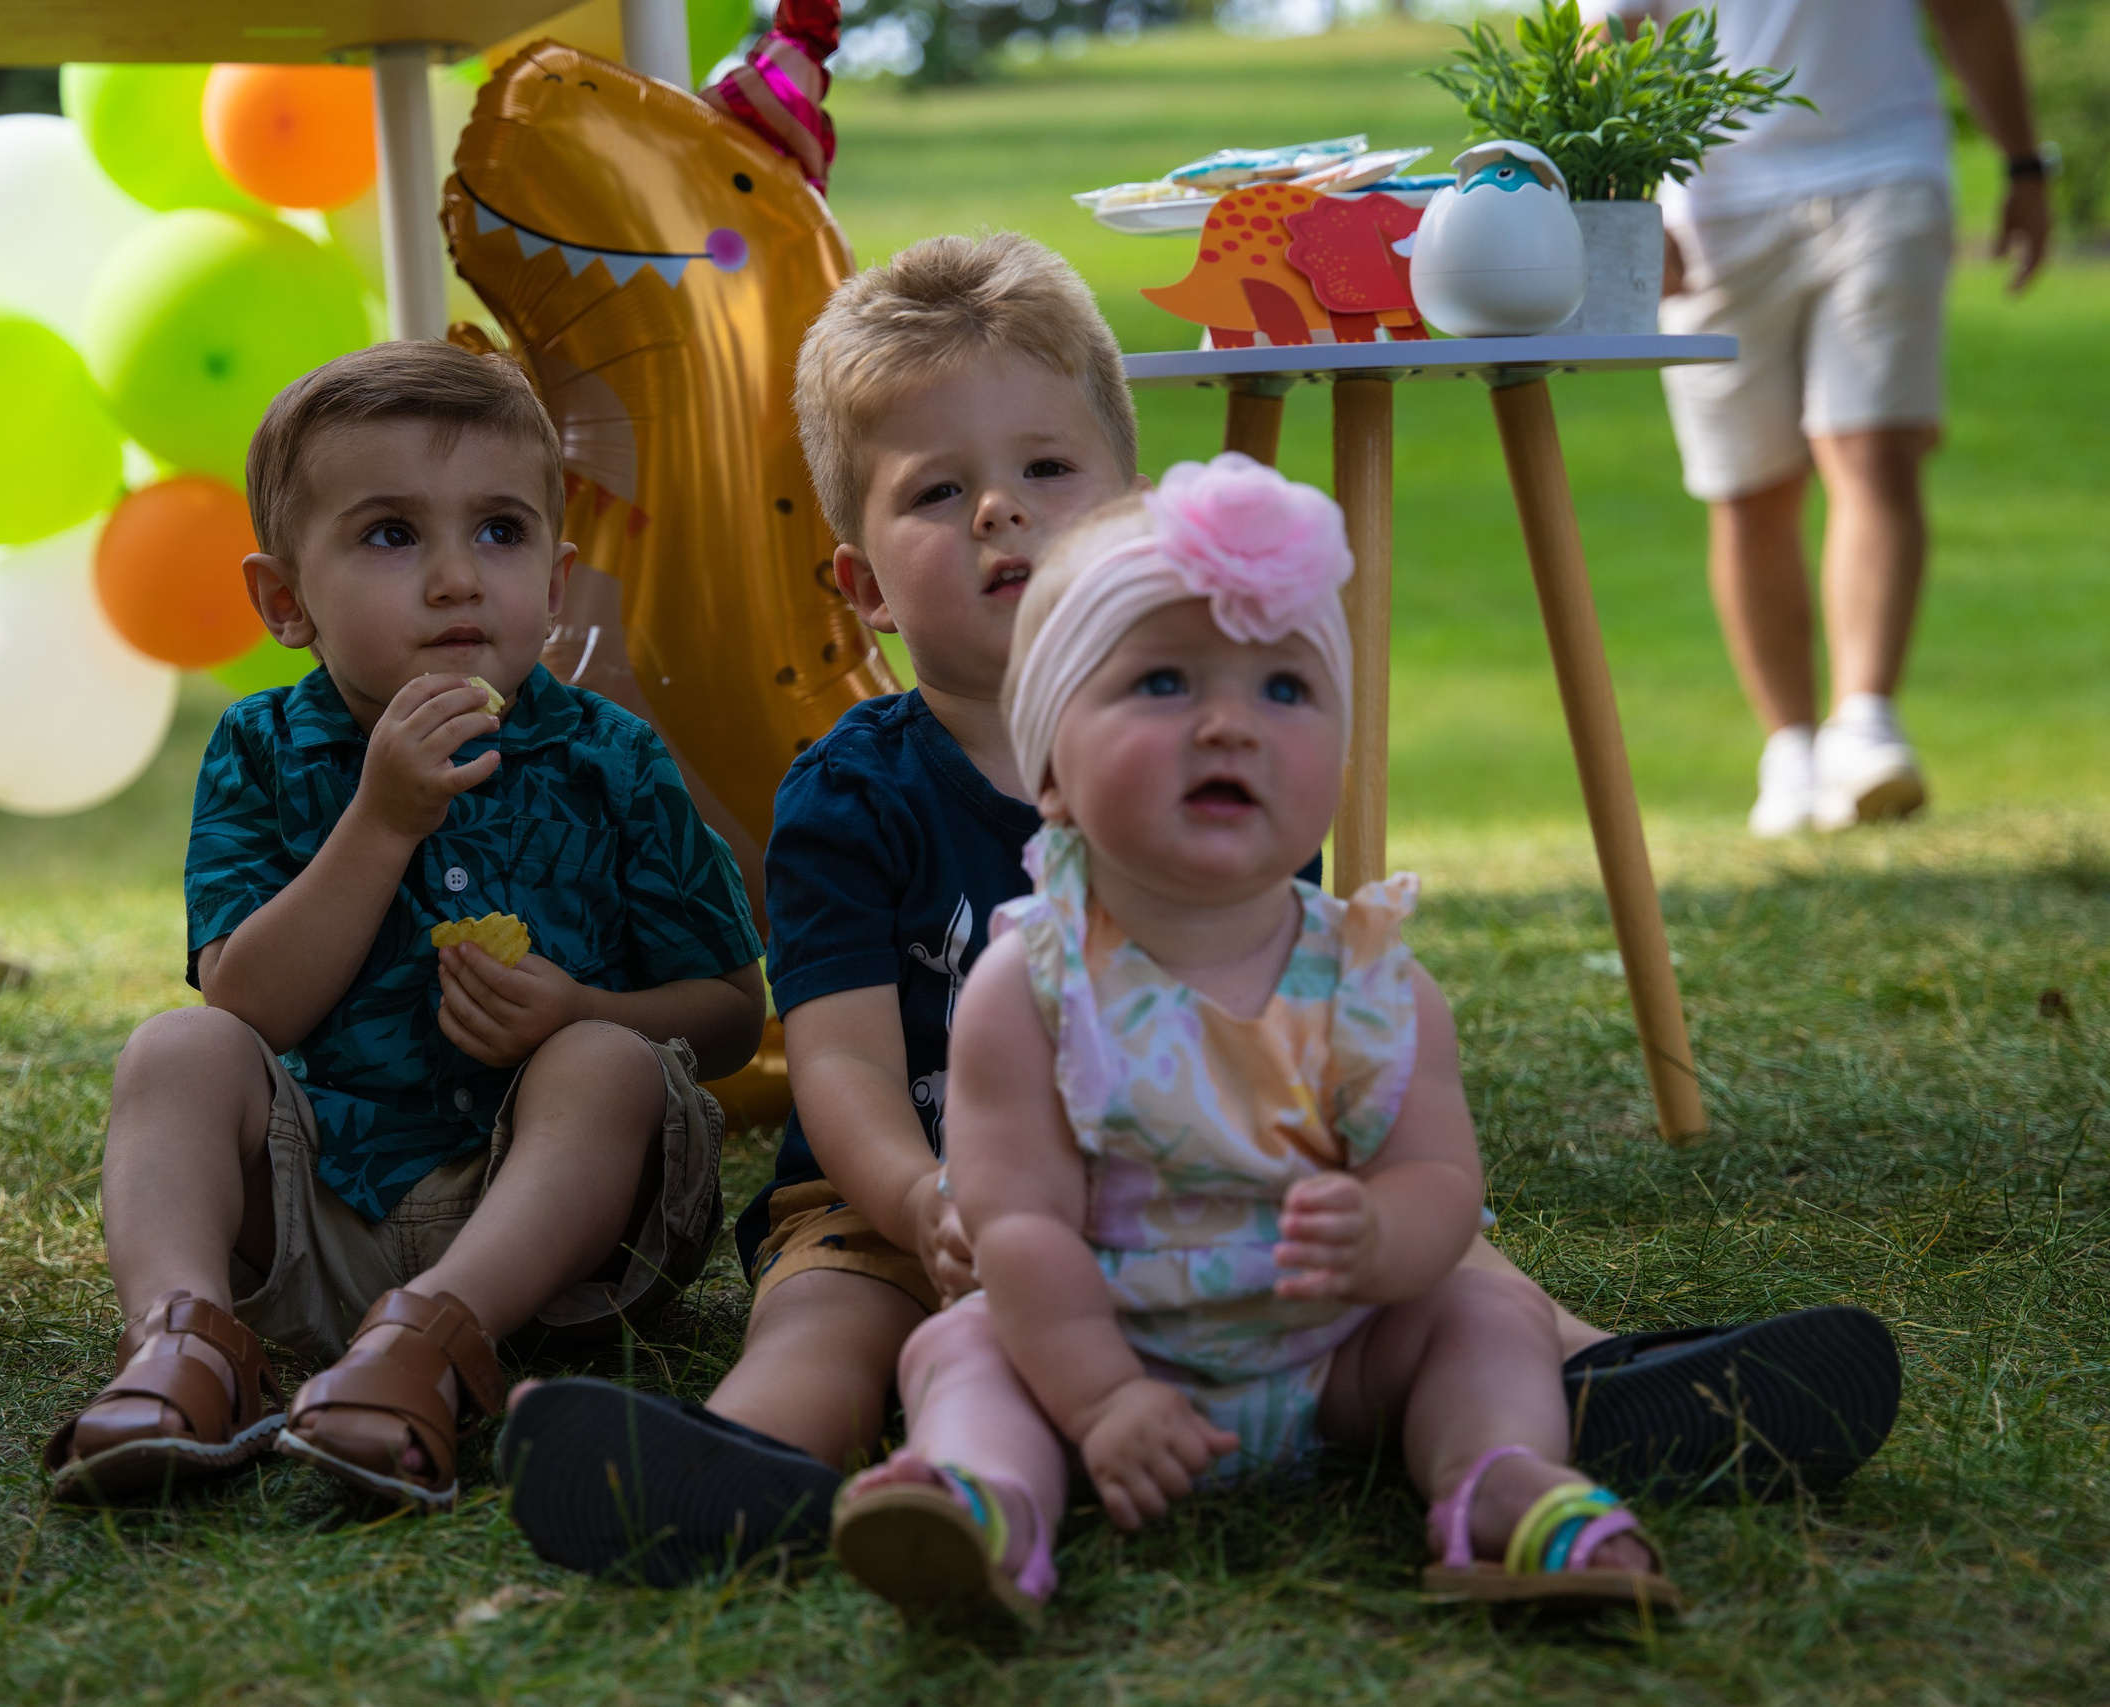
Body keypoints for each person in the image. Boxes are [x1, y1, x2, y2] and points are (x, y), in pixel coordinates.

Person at [496, 235, 1902, 1583]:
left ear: (1131, 512)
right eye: (936, 492)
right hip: (923, 1198)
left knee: (1449, 1258)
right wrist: (922, 1193)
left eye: (1046, 466)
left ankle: (1594, 1383)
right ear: (858, 585)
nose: (999, 508)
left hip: (1211, 1187)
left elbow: (1285, 1015)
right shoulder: (851, 790)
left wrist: (1352, 1205)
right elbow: (848, 1060)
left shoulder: (1214, 760)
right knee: (836, 1305)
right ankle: (749, 1462)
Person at [831, 458, 1679, 1623]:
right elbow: (1015, 1223)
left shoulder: (1378, 983)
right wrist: (1101, 1400)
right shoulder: (1029, 987)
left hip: (1332, 1361)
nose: (1229, 723)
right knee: (962, 1353)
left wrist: (1383, 1237)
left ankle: (1499, 1482)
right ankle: (988, 1505)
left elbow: (1439, 1177)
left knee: (1489, 1314)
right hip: (1092, 1350)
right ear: (1051, 774)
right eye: (1166, 682)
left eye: (1285, 690)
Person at [41, 341, 767, 1508]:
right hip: (312, 1221)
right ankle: (183, 1344)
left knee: (601, 1062)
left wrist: (584, 1011)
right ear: (285, 601)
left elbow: (732, 1017)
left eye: (499, 532)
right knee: (178, 1049)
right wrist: (380, 822)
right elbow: (250, 1003)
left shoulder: (613, 759)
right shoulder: (260, 753)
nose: (455, 580)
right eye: (391, 535)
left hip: (557, 1239)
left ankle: (432, 1346)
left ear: (556, 576)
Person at [1588, 0, 2053, 835]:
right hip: (1714, 207)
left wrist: (2024, 165)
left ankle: (1865, 722)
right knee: (1748, 490)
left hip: (1884, 170)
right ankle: (1792, 751)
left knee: (1873, 452)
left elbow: (1970, 10)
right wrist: (1626, 201)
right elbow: (1613, 34)